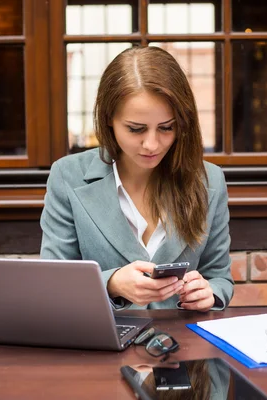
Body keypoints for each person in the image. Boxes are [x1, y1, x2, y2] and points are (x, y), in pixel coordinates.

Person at [40, 46, 233, 311]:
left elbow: (219, 276)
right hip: (103, 345)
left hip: (182, 345)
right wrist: (110, 283)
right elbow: (52, 284)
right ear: (108, 118)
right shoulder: (68, 176)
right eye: (136, 129)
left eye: (167, 128)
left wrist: (209, 293)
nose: (152, 144)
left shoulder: (209, 180)